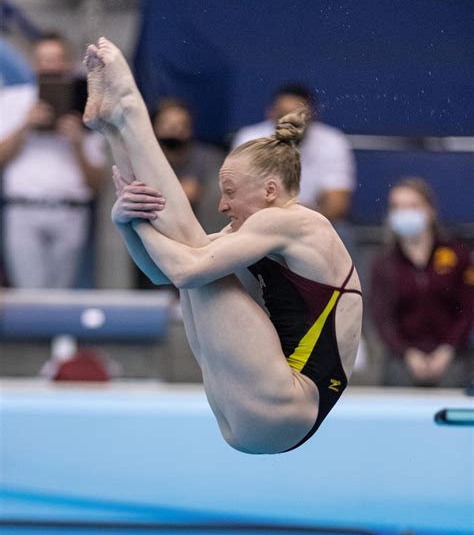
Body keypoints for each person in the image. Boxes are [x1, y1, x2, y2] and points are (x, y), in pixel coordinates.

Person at [83, 37, 362, 455]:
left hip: (288, 402)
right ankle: (115, 126)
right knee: (187, 249)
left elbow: (184, 267)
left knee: (192, 249)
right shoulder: (255, 234)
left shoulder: (296, 222)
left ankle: (130, 115)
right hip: (263, 414)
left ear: (270, 189)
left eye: (230, 191)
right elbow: (162, 271)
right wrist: (124, 221)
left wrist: (135, 225)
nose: (222, 204)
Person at [0, 33, 106, 288]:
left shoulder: (87, 103)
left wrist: (77, 143)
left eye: (57, 59)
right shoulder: (11, 101)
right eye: (44, 60)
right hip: (22, 210)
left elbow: (97, 184)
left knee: (62, 299)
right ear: (34, 65)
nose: (50, 66)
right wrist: (25, 125)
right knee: (30, 297)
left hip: (70, 211)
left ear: (69, 64)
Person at [370, 177, 473, 387]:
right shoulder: (383, 264)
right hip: (403, 357)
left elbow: (468, 309)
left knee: (456, 380)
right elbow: (382, 318)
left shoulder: (457, 255)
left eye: (412, 206)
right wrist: (408, 353)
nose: (404, 213)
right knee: (397, 378)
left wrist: (447, 349)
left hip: (452, 353)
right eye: (397, 207)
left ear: (430, 210)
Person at [232, 83, 356, 225]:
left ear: (313, 116)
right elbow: (241, 200)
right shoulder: (249, 139)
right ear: (270, 113)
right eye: (283, 115)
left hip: (313, 224)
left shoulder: (333, 141)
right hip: (259, 223)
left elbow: (336, 206)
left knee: (341, 232)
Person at [152, 98, 226, 233]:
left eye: (180, 125)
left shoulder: (208, 158)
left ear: (190, 129)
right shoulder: (144, 158)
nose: (174, 130)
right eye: (167, 125)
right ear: (154, 128)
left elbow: (196, 194)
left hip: (202, 233)